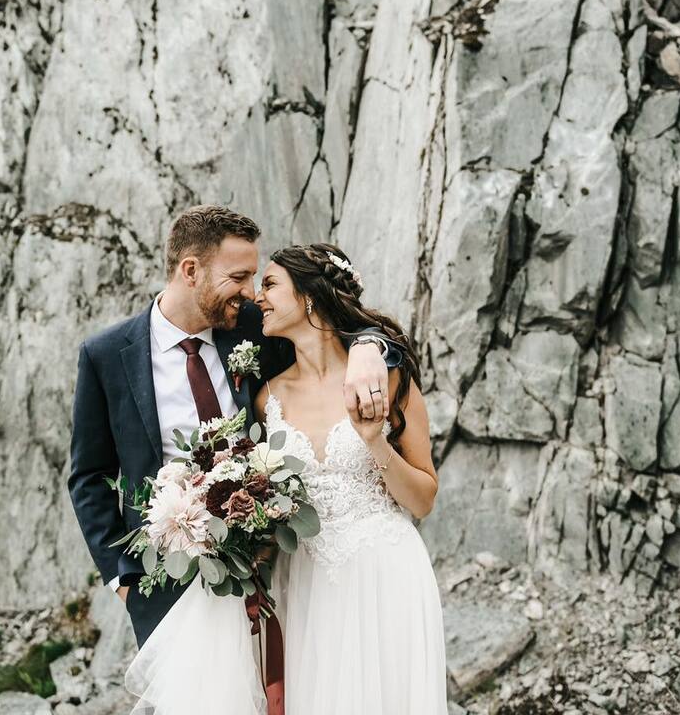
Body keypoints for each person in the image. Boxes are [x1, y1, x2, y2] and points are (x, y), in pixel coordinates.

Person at [119, 240, 447, 715]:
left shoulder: (386, 379)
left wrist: (375, 441)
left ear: (310, 297)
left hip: (386, 574)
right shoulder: (266, 398)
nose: (257, 296)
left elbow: (422, 501)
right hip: (306, 587)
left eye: (270, 283)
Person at [68, 207, 399, 651]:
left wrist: (369, 348)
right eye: (239, 276)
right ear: (191, 271)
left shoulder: (254, 327)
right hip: (168, 584)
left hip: (270, 574)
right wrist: (124, 580)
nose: (250, 292)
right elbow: (89, 476)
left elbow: (337, 330)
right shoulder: (106, 355)